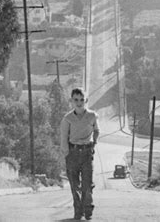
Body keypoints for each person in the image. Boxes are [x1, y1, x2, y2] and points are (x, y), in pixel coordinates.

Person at [60, 88, 100, 220]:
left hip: (87, 153)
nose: (79, 102)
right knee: (74, 185)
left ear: (86, 100)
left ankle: (88, 209)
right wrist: (67, 154)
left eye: (82, 99)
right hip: (73, 153)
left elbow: (96, 130)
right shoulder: (67, 118)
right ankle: (78, 211)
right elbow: (63, 137)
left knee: (87, 184)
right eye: (76, 100)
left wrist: (94, 143)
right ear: (71, 101)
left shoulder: (92, 115)